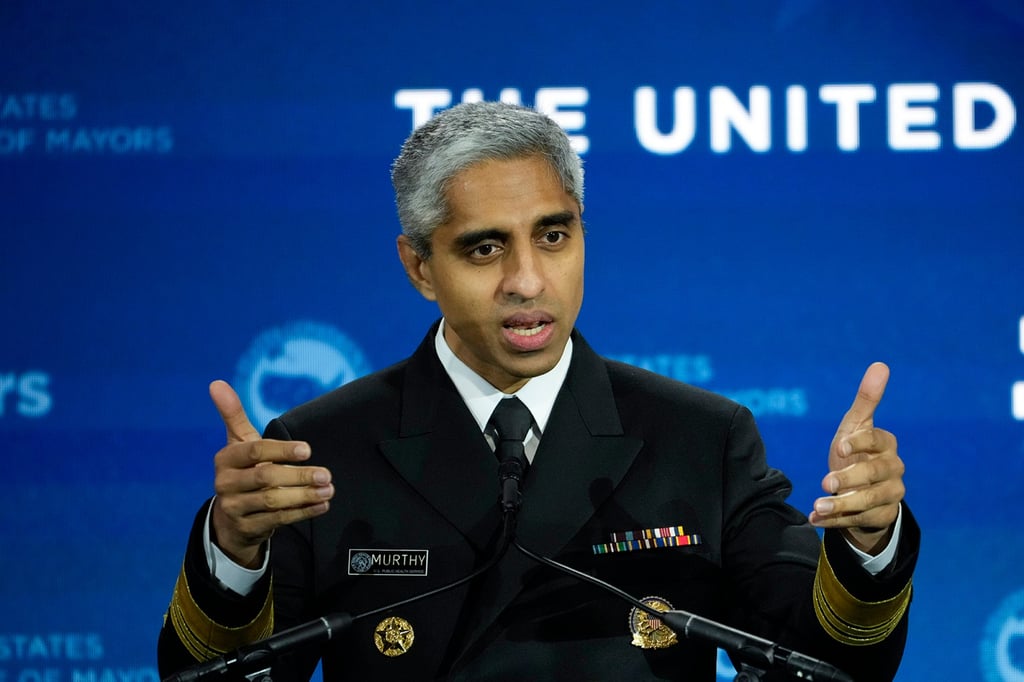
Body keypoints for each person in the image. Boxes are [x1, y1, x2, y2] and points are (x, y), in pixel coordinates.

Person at [158, 101, 917, 681]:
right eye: (485, 248)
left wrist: (868, 545)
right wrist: (234, 549)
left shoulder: (700, 438)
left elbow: (825, 661)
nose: (527, 281)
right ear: (420, 267)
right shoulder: (322, 450)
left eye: (553, 236)